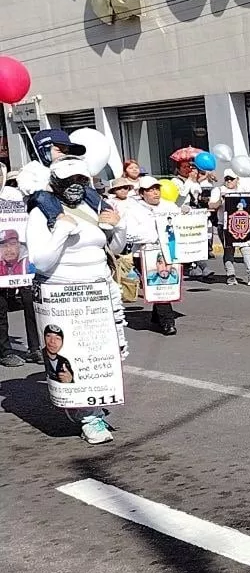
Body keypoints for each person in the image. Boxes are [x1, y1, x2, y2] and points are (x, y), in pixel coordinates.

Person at [26, 157, 127, 445]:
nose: (76, 186)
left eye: (81, 180)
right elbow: (40, 261)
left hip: (101, 290)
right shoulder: (41, 214)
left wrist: (117, 227)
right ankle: (88, 415)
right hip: (63, 293)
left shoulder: (92, 206)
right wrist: (59, 230)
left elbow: (115, 247)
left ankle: (87, 405)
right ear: (56, 184)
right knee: (73, 356)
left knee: (108, 352)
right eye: (69, 181)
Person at [118, 176, 183, 335]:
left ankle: (157, 315)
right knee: (159, 283)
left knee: (166, 284)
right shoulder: (132, 209)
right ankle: (167, 322)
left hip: (168, 252)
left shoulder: (169, 206)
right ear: (142, 193)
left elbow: (181, 225)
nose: (155, 193)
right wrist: (155, 234)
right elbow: (130, 234)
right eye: (150, 190)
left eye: (157, 189)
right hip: (145, 254)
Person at [18, 130, 107, 230]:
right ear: (44, 151)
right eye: (59, 151)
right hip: (46, 201)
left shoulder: (67, 166)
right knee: (42, 195)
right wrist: (47, 187)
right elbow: (24, 185)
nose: (64, 155)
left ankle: (106, 211)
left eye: (66, 151)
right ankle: (57, 220)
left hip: (70, 200)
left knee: (86, 189)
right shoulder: (32, 168)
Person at [0, 165, 39, 367]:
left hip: (22, 257)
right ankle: (5, 351)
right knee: (1, 308)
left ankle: (35, 348)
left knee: (30, 302)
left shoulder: (20, 197)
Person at [209, 170, 250, 286]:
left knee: (246, 247)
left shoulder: (243, 190)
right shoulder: (219, 190)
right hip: (224, 225)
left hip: (242, 224)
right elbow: (211, 206)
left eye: (232, 179)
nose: (229, 181)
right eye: (227, 179)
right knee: (229, 249)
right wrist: (221, 200)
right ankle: (230, 275)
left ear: (237, 179)